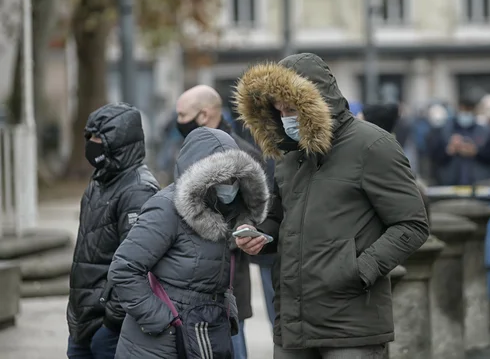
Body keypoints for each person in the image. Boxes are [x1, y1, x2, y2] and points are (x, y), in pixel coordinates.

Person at [233, 53, 429, 358]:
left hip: (350, 324)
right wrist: (258, 232)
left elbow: (412, 224)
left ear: (314, 102)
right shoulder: (289, 157)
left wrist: (359, 269)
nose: (285, 117)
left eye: (291, 108)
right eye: (279, 110)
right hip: (293, 324)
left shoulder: (372, 146)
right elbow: (279, 217)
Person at [109, 127, 270, 359]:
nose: (230, 184)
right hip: (159, 345)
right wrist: (163, 320)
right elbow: (124, 269)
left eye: (236, 177)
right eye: (223, 177)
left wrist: (227, 309)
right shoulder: (165, 208)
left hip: (204, 334)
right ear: (202, 175)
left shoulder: (225, 211)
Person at [175, 84, 270, 357]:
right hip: (189, 278)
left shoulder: (243, 156)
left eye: (182, 115)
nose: (178, 121)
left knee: (232, 346)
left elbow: (258, 211)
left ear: (204, 115)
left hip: (228, 281)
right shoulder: (187, 150)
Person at [67, 103, 160, 359]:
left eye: (97, 137)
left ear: (117, 141)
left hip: (107, 327)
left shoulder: (138, 190)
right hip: (84, 321)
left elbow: (138, 264)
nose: (91, 143)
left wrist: (112, 322)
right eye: (89, 137)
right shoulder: (99, 181)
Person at [428, 97, 490, 186]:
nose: (465, 114)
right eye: (463, 110)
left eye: (468, 110)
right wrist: (449, 149)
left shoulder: (485, 131)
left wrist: (476, 152)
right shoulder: (445, 131)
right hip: (450, 184)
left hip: (478, 184)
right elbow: (434, 157)